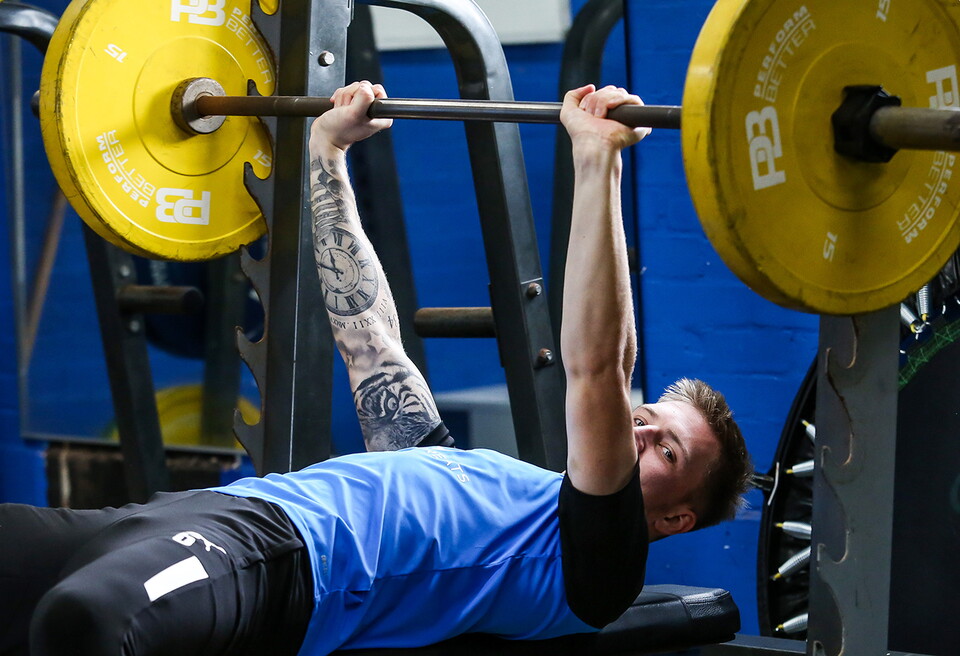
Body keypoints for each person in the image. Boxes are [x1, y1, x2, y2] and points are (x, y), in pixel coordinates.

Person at [0, 82, 752, 656]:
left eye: (665, 448)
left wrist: (597, 161)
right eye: (648, 415)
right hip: (188, 518)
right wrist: (327, 153)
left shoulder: (598, 567)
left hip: (282, 563)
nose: (636, 426)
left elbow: (597, 368)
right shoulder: (475, 485)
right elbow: (370, 338)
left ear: (676, 516)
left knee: (86, 622)